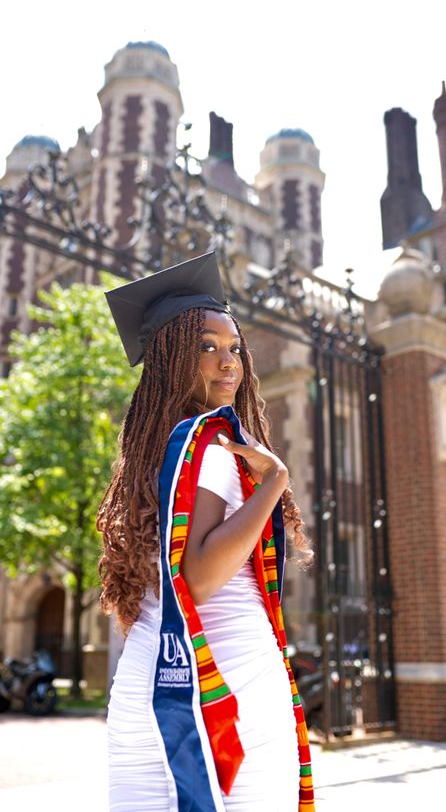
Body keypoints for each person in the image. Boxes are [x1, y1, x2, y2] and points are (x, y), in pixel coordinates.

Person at [97, 251, 316, 811]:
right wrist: (274, 483)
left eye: (235, 349)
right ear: (171, 358)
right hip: (225, 686)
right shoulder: (211, 443)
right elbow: (197, 575)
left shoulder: (151, 450)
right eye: (207, 347)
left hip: (148, 679)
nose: (229, 363)